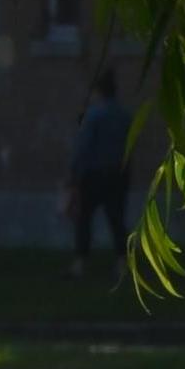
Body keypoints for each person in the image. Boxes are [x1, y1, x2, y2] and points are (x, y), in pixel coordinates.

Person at [68, 69, 133, 269]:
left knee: (84, 218)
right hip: (118, 173)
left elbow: (84, 146)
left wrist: (73, 172)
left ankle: (80, 261)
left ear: (99, 91)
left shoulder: (94, 115)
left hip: (94, 175)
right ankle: (121, 261)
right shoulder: (124, 115)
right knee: (117, 218)